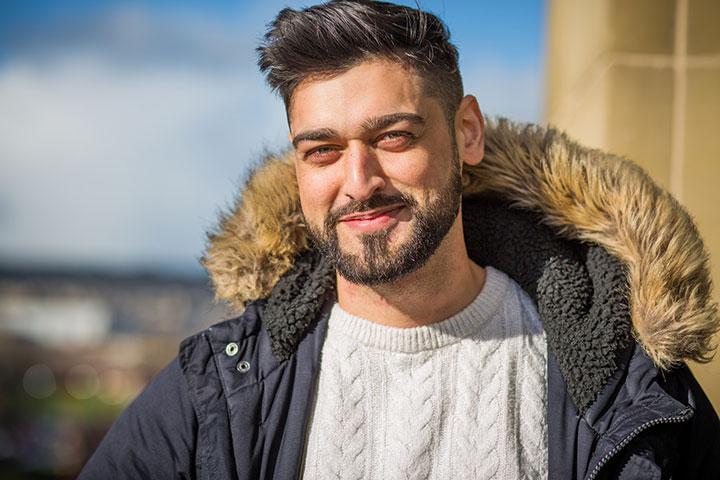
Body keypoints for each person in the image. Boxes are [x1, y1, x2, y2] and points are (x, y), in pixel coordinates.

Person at [79, 1, 720, 479]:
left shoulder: (629, 380)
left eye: (393, 137)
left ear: (467, 133)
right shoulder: (214, 390)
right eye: (322, 150)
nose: (358, 183)